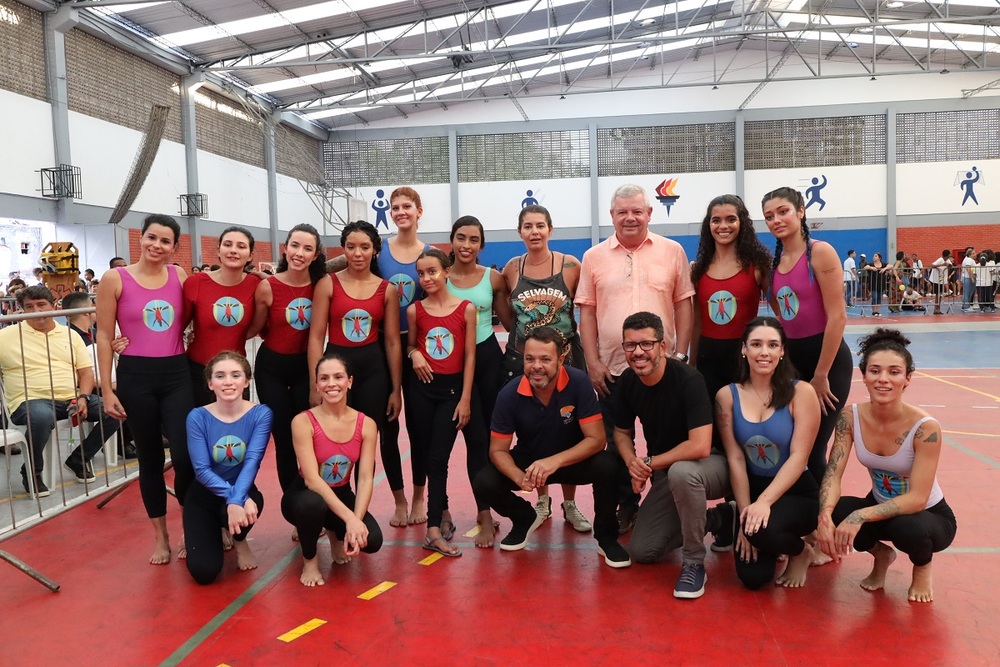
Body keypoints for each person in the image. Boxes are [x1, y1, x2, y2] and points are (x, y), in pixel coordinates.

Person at [577, 183, 695, 535]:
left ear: (649, 214)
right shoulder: (593, 257)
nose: (630, 218)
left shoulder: (672, 252)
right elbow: (586, 313)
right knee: (616, 446)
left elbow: (683, 304)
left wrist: (681, 355)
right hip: (613, 370)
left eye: (637, 211)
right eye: (622, 212)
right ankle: (626, 508)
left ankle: (664, 508)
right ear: (611, 216)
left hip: (663, 370)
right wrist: (593, 363)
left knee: (665, 444)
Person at [473, 326, 631, 568]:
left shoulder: (578, 382)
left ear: (561, 359)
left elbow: (597, 439)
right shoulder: (509, 394)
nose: (536, 366)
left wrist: (554, 461)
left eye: (545, 359)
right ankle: (524, 518)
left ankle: (606, 537)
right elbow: (497, 450)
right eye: (530, 358)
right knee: (484, 480)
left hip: (570, 462)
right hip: (531, 463)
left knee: (609, 465)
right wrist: (518, 476)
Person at [817, 329, 957, 602]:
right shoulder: (850, 417)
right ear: (864, 376)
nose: (883, 379)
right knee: (835, 510)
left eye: (894, 372)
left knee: (906, 528)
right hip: (880, 507)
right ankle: (882, 555)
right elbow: (833, 474)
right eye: (875, 371)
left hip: (928, 516)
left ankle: (922, 569)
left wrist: (860, 516)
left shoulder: (925, 428)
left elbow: (917, 499)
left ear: (907, 379)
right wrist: (825, 514)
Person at [96, 214, 194, 564]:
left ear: (174, 247)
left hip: (176, 373)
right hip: (136, 376)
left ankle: (192, 526)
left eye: (165, 241)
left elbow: (189, 318)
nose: (157, 245)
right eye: (151, 238)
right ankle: (160, 535)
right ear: (141, 239)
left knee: (185, 456)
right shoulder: (114, 278)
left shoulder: (179, 275)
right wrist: (107, 389)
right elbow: (105, 335)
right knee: (150, 458)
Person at [613, 312, 726, 597]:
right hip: (668, 470)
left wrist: (648, 464)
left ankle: (694, 563)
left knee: (682, 472)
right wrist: (632, 464)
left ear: (662, 347)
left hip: (712, 463)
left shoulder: (688, 379)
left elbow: (699, 445)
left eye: (646, 344)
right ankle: (720, 519)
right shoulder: (628, 381)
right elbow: (621, 433)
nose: (638, 352)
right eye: (630, 345)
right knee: (643, 550)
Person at [308, 221, 403, 526]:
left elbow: (391, 341)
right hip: (337, 371)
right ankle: (336, 505)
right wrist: (315, 383)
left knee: (382, 437)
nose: (357, 253)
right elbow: (316, 336)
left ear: (375, 250)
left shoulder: (385, 289)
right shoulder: (327, 284)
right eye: (351, 247)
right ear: (343, 249)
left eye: (364, 247)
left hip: (374, 371)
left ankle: (397, 500)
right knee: (335, 437)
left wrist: (395, 389)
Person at [501, 204, 590, 532]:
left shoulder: (570, 266)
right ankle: (542, 500)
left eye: (540, 225)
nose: (534, 231)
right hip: (530, 363)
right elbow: (510, 318)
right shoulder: (512, 268)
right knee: (534, 429)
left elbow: (585, 307)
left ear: (550, 229)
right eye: (527, 226)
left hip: (567, 359)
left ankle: (570, 503)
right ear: (520, 231)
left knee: (571, 429)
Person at [715, 317, 821, 590]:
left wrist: (763, 503)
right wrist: (745, 510)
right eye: (757, 344)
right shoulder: (727, 396)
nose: (765, 352)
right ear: (744, 349)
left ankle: (802, 552)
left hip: (795, 491)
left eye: (773, 345)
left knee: (761, 530)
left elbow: (799, 457)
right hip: (752, 489)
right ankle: (746, 524)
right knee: (753, 578)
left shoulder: (802, 392)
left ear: (782, 350)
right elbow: (736, 458)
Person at [762, 187, 851, 490]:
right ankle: (810, 517)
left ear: (800, 211)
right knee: (791, 446)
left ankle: (826, 517)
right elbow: (781, 314)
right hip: (794, 365)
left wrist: (821, 374)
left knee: (813, 449)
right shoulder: (774, 265)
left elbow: (838, 317)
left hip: (827, 364)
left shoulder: (820, 252)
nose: (776, 220)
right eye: (769, 216)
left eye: (783, 211)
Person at [0, 285, 120, 496]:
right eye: (29, 306)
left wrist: (83, 397)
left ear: (53, 306)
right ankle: (32, 472)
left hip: (70, 397)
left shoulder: (69, 335)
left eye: (41, 305)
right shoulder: (6, 336)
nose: (37, 311)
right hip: (29, 401)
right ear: (21, 310)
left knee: (114, 409)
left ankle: (79, 458)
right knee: (41, 416)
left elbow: (85, 373)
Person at [281, 353, 382, 586]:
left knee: (373, 540)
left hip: (341, 492)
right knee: (312, 505)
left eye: (338, 377)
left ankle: (337, 534)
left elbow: (365, 478)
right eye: (324, 378)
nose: (331, 384)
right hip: (305, 495)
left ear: (350, 381)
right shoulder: (302, 421)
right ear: (316, 384)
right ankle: (310, 560)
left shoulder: (366, 424)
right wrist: (349, 519)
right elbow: (312, 481)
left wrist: (355, 522)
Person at [406, 248, 477, 558]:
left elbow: (470, 355)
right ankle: (441, 515)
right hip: (421, 391)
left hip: (451, 394)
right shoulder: (415, 310)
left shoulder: (466, 309)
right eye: (421, 273)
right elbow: (410, 345)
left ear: (447, 271)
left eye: (432, 271)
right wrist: (414, 353)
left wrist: (465, 399)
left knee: (439, 457)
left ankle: (433, 527)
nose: (427, 278)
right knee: (424, 454)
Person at [446, 216, 512, 546]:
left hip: (488, 363)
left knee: (487, 441)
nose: (467, 245)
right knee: (466, 440)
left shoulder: (493, 279)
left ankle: (487, 510)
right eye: (461, 238)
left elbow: (511, 324)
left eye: (474, 239)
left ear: (481, 245)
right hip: (451, 363)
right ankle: (470, 512)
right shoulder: (440, 279)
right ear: (452, 241)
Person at [248, 224, 327, 495]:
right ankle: (295, 506)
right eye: (295, 246)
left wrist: (317, 384)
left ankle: (314, 500)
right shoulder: (267, 287)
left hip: (306, 369)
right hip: (272, 369)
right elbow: (256, 328)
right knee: (283, 438)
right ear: (285, 248)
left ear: (315, 255)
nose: (299, 253)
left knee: (308, 437)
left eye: (307, 249)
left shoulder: (321, 286)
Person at [183, 352, 272, 584]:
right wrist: (234, 499)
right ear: (210, 383)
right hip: (203, 496)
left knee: (251, 505)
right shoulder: (197, 417)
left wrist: (237, 499)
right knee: (204, 573)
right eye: (220, 376)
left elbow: (253, 460)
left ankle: (239, 541)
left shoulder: (260, 414)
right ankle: (209, 530)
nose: (228, 381)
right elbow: (201, 470)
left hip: (242, 490)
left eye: (235, 375)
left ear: (246, 381)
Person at [377, 186, 432, 526]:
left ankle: (419, 496)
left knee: (419, 428)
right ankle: (398, 499)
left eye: (407, 206)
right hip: (383, 346)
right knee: (387, 428)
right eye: (395, 207)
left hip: (418, 349)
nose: (400, 212)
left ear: (419, 210)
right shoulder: (377, 252)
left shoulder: (432, 254)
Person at [182, 227, 261, 407]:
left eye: (241, 246)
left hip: (235, 375)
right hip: (198, 372)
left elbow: (258, 326)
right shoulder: (196, 282)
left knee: (236, 434)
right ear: (218, 250)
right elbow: (177, 327)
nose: (233, 250)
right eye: (227, 244)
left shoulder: (256, 285)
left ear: (250, 255)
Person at [928, 249, 954, 314]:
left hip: (941, 279)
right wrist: (942, 265)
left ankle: (937, 308)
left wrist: (950, 266)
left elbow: (950, 265)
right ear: (947, 255)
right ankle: (936, 309)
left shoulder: (947, 260)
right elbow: (932, 265)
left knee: (940, 295)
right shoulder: (940, 260)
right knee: (938, 294)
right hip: (936, 280)